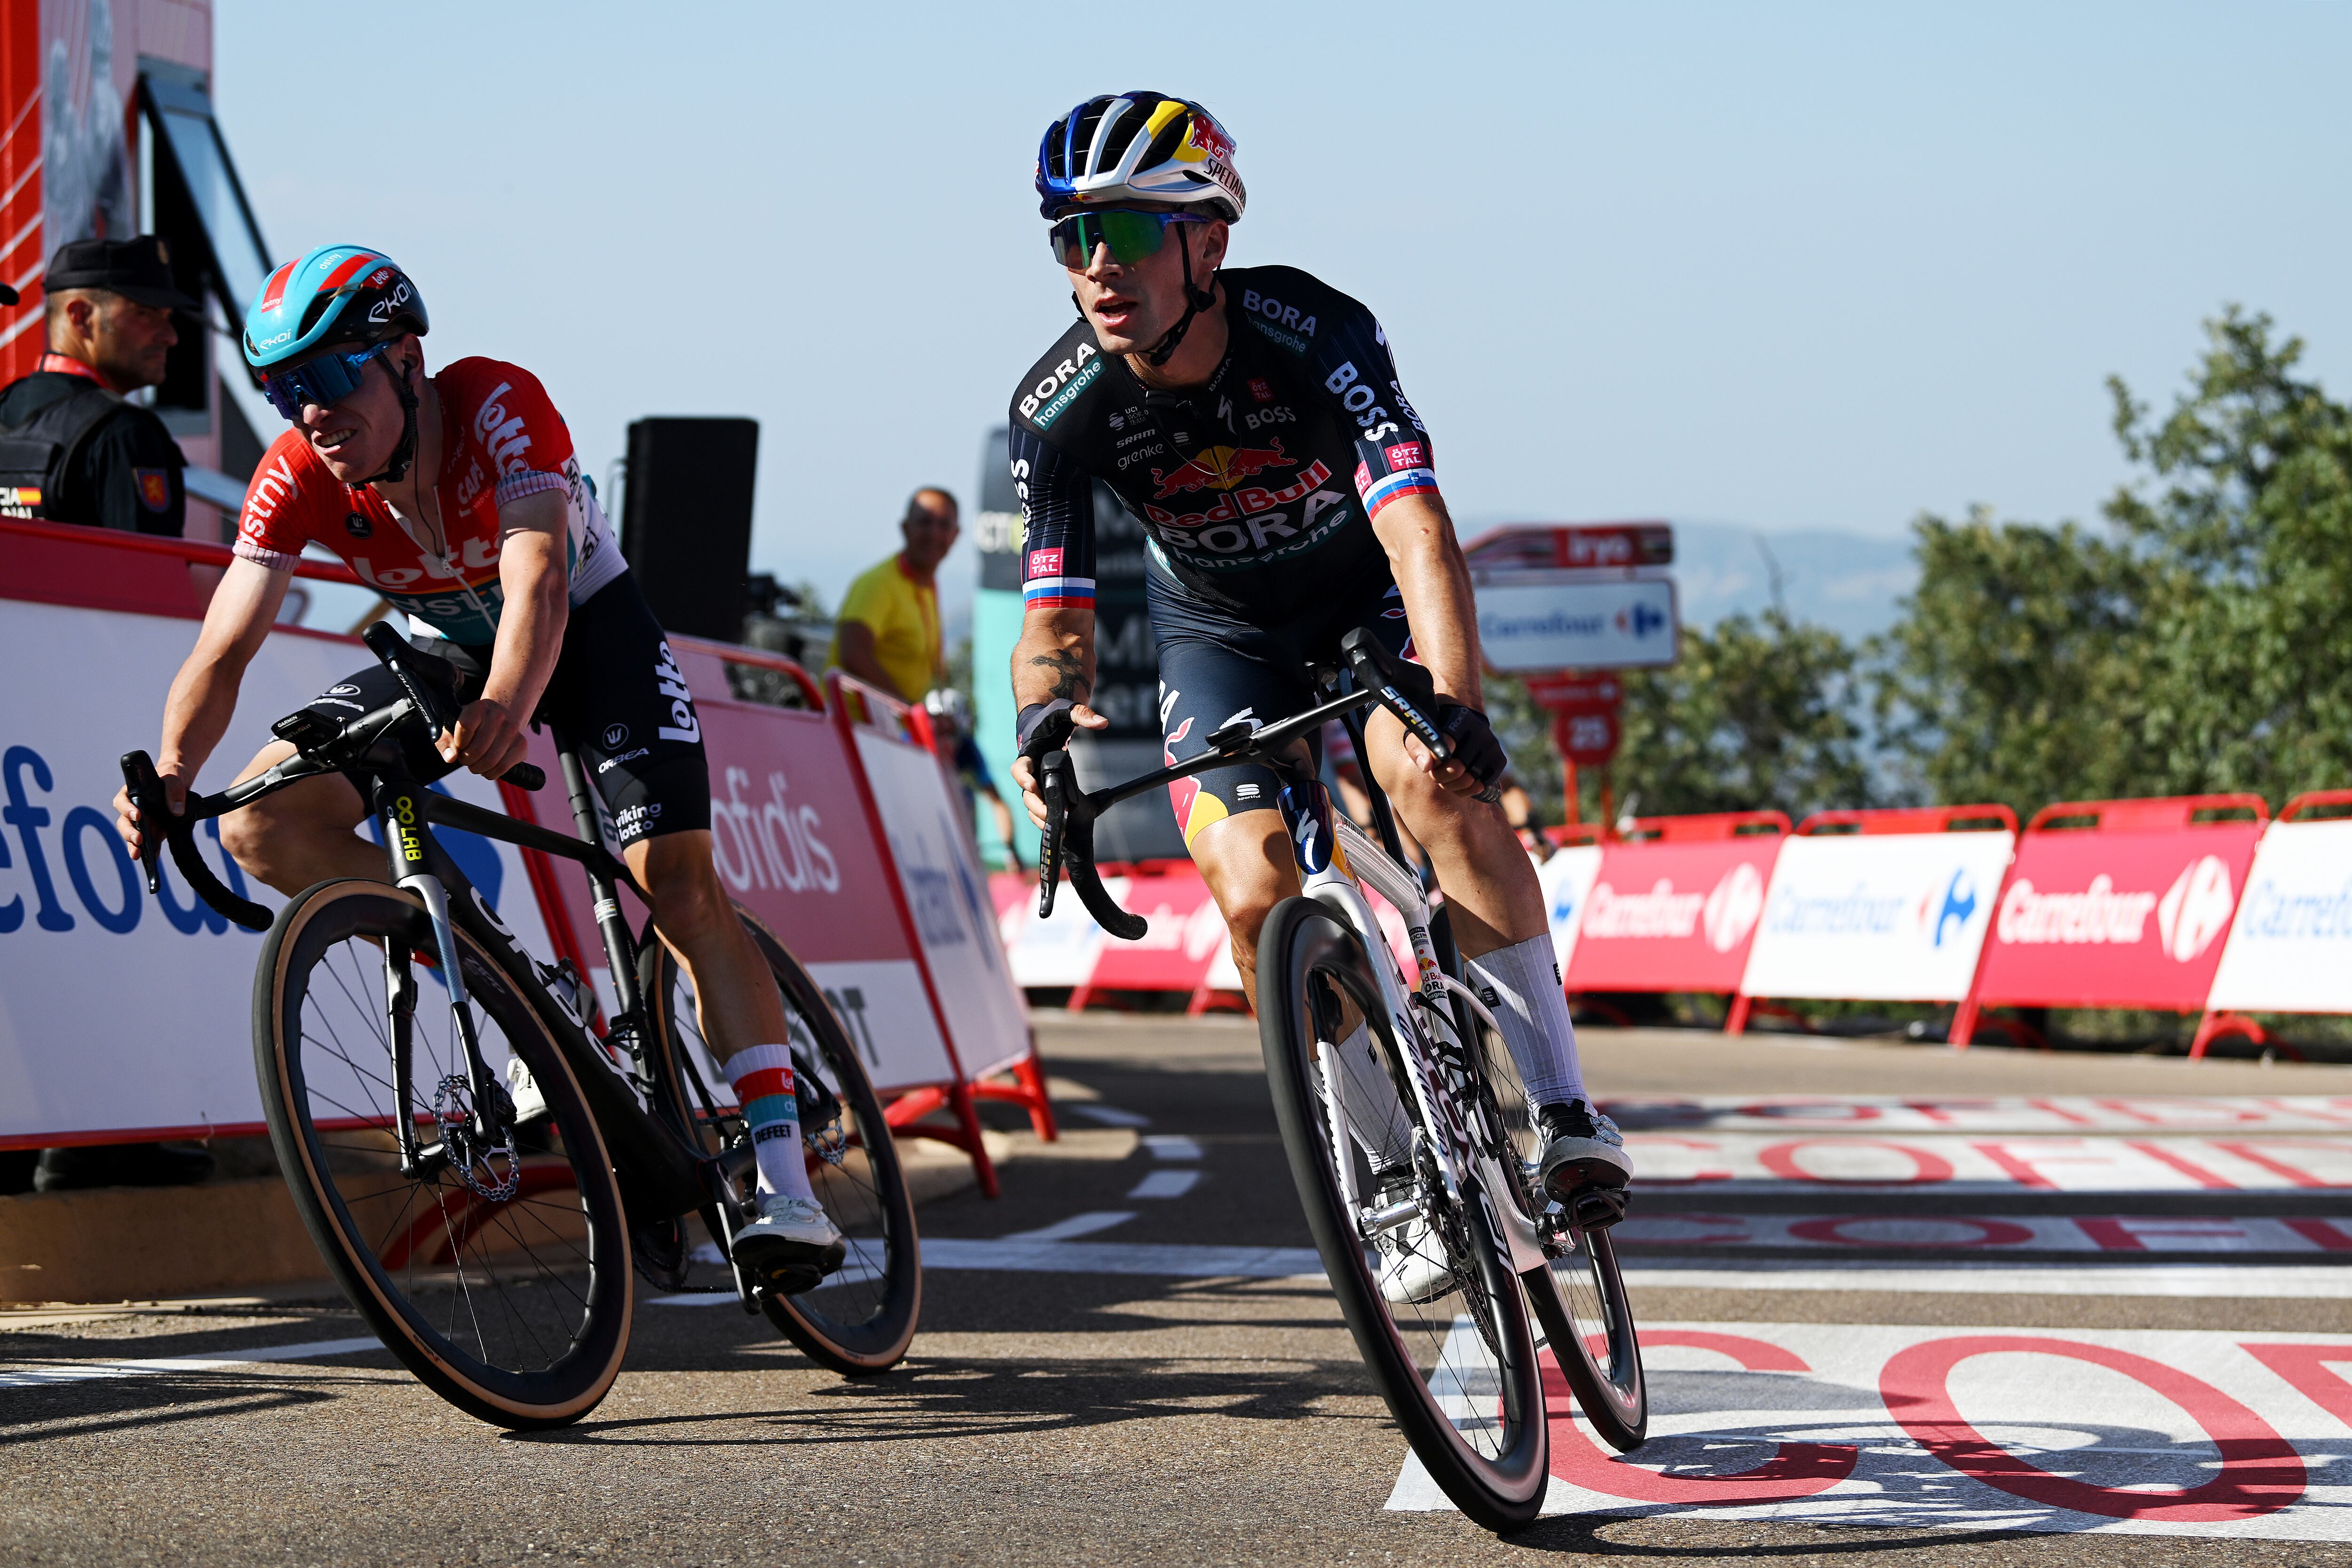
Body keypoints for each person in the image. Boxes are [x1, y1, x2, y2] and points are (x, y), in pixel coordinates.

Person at [109, 245, 841, 1284]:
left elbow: (539, 575)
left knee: (671, 882)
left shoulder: (499, 402)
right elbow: (225, 644)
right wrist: (173, 771)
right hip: (448, 649)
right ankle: (521, 979)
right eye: (280, 388)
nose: (307, 410)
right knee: (260, 823)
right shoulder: (295, 476)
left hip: (589, 629)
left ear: (405, 357)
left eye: (326, 377)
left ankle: (787, 1181)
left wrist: (509, 702)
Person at [1003, 95, 1629, 1296]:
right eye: (1068, 239)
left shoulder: (1314, 329)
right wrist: (1042, 720)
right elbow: (1056, 622)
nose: (1096, 267)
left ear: (1207, 242)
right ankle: (1393, 1175)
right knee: (1251, 896)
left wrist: (1450, 702)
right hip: (1218, 632)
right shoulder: (1056, 407)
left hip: (1364, 601)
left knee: (1428, 785)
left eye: (1127, 234)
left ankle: (1560, 1108)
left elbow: (1418, 530)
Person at [7, 237, 209, 1192]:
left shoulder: (4, 414)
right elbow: (148, 615)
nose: (171, 330)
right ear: (80, 315)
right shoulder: (128, 440)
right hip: (89, 757)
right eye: (149, 310)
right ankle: (104, 1139)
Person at [0, 236, 191, 537]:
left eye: (167, 318)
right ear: (81, 317)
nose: (170, 336)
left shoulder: (5, 408)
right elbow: (151, 578)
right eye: (144, 313)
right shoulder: (124, 432)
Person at [828, 488, 958, 705]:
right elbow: (852, 653)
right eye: (925, 522)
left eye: (944, 525)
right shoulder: (878, 583)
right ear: (905, 529)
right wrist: (908, 711)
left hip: (886, 732)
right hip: (850, 730)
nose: (934, 533)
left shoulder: (927, 585)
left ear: (956, 534)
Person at [926, 688, 1025, 873]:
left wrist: (1011, 850)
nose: (943, 734)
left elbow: (998, 803)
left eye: (947, 725)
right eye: (937, 724)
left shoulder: (967, 749)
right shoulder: (913, 741)